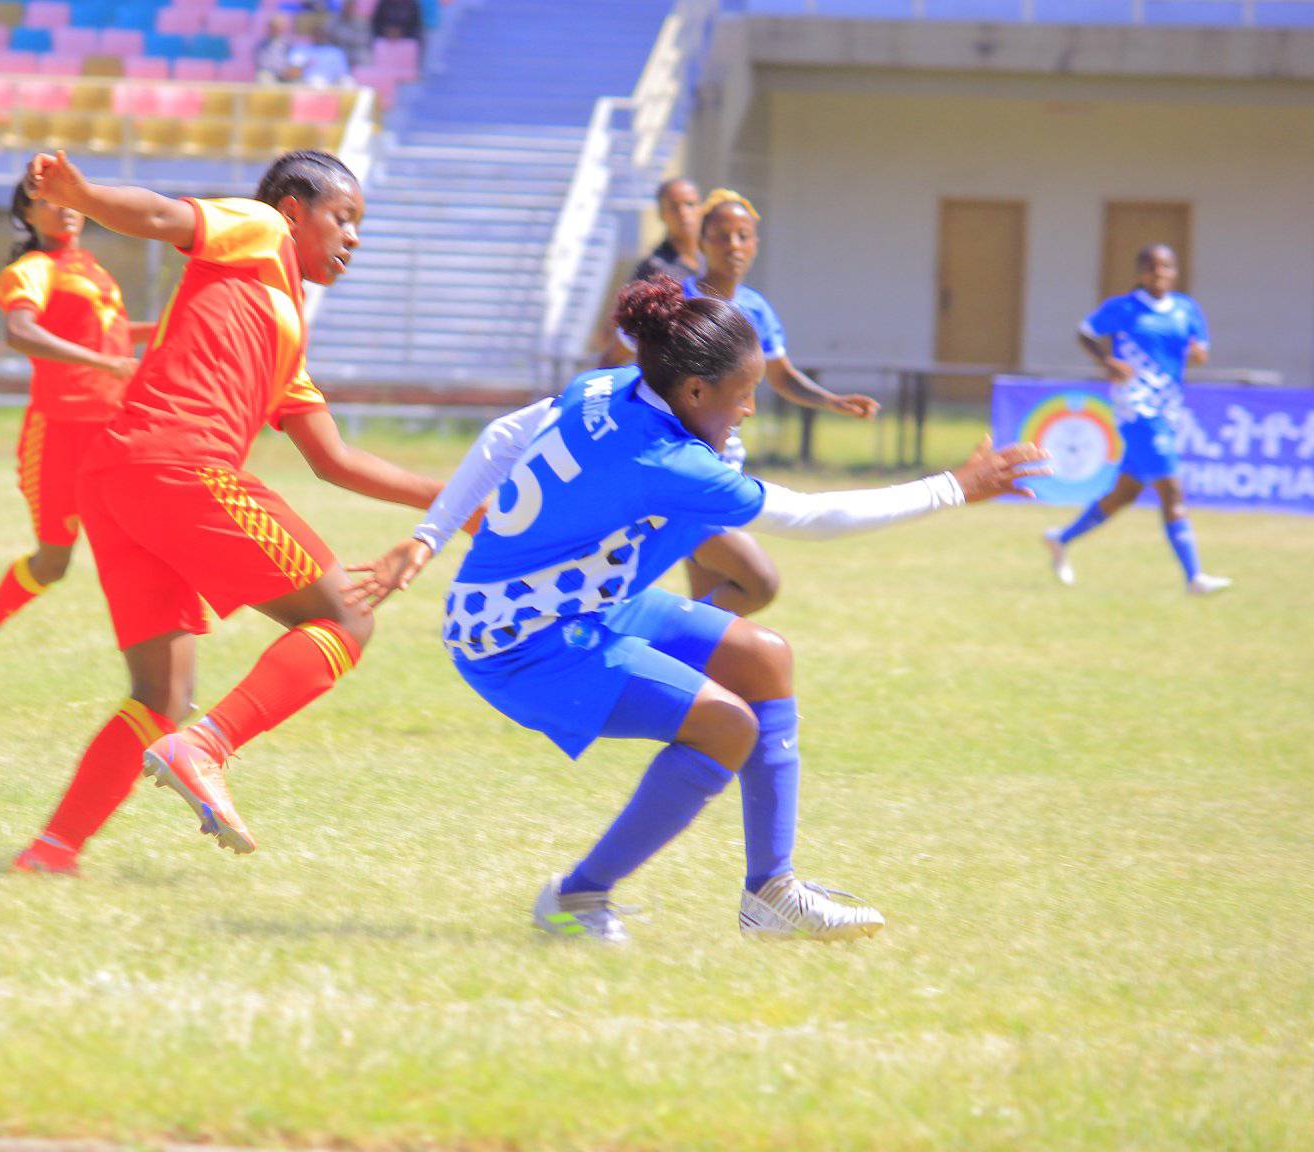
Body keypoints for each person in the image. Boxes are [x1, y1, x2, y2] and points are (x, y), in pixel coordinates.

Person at [348, 277, 1047, 944]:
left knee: (764, 657)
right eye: (743, 396)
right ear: (693, 388)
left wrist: (428, 537)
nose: (748, 410)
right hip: (521, 641)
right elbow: (818, 514)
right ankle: (576, 899)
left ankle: (772, 896)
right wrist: (955, 486)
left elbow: (505, 436)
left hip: (580, 604)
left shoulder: (609, 386)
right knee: (726, 726)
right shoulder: (668, 460)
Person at [11, 149, 456, 875]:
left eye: (360, 227)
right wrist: (84, 194)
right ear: (293, 212)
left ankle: (52, 851)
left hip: (117, 478)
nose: (354, 238)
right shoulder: (256, 229)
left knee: (162, 692)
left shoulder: (286, 329)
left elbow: (334, 460)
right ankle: (207, 748)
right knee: (346, 615)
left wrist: (452, 503)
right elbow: (161, 215)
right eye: (343, 219)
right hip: (177, 466)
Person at [629, 190, 883, 617]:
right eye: (722, 235)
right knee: (756, 583)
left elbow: (782, 376)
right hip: (679, 462)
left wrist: (831, 401)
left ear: (755, 244)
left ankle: (688, 662)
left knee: (715, 598)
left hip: (723, 458)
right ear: (701, 241)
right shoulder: (676, 304)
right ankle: (658, 639)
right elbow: (618, 361)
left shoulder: (755, 309)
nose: (733, 246)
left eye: (743, 236)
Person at [0, 180, 147, 693]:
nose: (63, 209)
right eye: (47, 201)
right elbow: (21, 332)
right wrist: (106, 363)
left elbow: (107, 332)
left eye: (67, 198)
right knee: (53, 563)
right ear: (27, 214)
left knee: (140, 537)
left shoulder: (91, 269)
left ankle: (162, 677)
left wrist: (174, 326)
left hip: (110, 428)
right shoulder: (35, 269)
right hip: (60, 434)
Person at [1045, 245, 1231, 595]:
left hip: (1168, 406)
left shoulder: (1186, 309)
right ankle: (1195, 577)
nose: (1159, 272)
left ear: (1175, 271)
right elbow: (1084, 332)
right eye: (1152, 266)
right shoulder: (1123, 308)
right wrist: (1107, 360)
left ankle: (1061, 539)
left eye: (1166, 266)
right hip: (1136, 406)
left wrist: (1198, 354)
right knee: (1172, 490)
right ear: (1140, 272)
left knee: (1125, 493)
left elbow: (1200, 349)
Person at [598, 177, 701, 367]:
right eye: (674, 207)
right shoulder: (656, 268)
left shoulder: (709, 262)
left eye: (690, 204)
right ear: (662, 214)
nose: (683, 213)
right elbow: (614, 331)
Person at [287, 24, 352, 88]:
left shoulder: (335, 52)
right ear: (311, 34)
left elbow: (342, 75)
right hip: (303, 87)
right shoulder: (300, 49)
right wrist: (304, 66)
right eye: (316, 33)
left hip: (330, 88)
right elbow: (289, 73)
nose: (319, 36)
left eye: (321, 33)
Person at [255, 15, 295, 83]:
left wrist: (289, 71)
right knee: (263, 76)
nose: (277, 30)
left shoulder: (289, 44)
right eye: (275, 27)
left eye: (279, 27)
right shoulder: (262, 44)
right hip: (271, 74)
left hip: (286, 75)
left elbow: (293, 61)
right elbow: (263, 64)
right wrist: (280, 70)